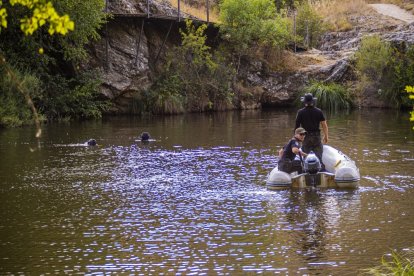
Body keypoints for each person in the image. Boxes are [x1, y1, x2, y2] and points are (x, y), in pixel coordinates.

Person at [294, 93, 328, 169]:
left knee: (305, 157)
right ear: (313, 102)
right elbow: (324, 125)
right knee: (319, 157)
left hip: (305, 137)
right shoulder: (318, 111)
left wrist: (296, 139)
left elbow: (296, 127)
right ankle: (321, 171)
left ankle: (306, 172)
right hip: (316, 137)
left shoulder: (300, 112)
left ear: (304, 102)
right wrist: (326, 136)